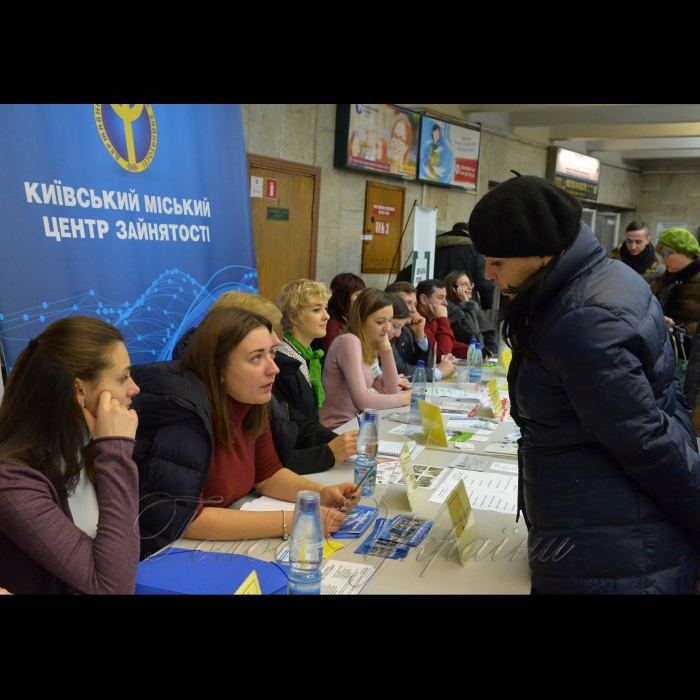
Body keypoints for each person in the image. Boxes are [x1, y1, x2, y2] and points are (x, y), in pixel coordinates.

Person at [468, 174, 700, 595]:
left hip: (613, 547)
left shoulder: (579, 321)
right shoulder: (606, 275)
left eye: (497, 262)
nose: (488, 274)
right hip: (607, 519)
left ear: (541, 254)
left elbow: (648, 444)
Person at [131, 307, 359, 560]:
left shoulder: (250, 402)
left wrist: (317, 495)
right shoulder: (184, 417)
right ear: (218, 367)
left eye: (271, 354)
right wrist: (294, 519)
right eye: (256, 358)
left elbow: (267, 474)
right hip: (174, 554)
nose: (274, 368)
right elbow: (187, 519)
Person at [0, 317, 141, 595]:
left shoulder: (87, 446)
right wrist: (116, 450)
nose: (134, 388)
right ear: (79, 390)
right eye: (123, 377)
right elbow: (114, 587)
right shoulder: (12, 481)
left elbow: (126, 553)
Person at [172, 293, 357, 476]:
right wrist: (329, 453)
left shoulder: (257, 393)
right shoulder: (190, 416)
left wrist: (340, 444)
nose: (276, 340)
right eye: (267, 330)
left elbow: (270, 464)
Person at [319, 288, 412, 430]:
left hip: (354, 425)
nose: (387, 328)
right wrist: (404, 399)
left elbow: (390, 390)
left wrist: (386, 348)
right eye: (380, 322)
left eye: (390, 321)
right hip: (336, 429)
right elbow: (362, 400)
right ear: (361, 319)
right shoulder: (349, 341)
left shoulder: (367, 345)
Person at [275, 279, 331, 419]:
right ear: (293, 317)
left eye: (326, 308)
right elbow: (295, 422)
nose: (327, 316)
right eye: (317, 310)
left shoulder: (306, 354)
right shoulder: (284, 363)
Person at [385, 281, 455, 380]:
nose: (414, 309)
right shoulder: (384, 332)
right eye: (408, 303)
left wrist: (420, 335)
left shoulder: (406, 331)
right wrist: (438, 372)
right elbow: (399, 369)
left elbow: (423, 366)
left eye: (415, 304)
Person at [650, 227, 700, 347]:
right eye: (661, 255)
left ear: (683, 252)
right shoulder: (660, 279)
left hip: (689, 356)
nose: (662, 261)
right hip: (659, 350)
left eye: (666, 254)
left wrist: (681, 331)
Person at [443, 270, 498, 357]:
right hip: (461, 357)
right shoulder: (450, 309)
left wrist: (492, 353)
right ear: (453, 288)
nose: (470, 287)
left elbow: (489, 331)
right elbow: (472, 330)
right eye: (464, 284)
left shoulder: (472, 305)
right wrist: (466, 303)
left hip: (479, 356)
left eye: (470, 284)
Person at [312, 272, 365, 357]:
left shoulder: (347, 317)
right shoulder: (332, 323)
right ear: (344, 296)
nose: (361, 300)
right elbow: (334, 356)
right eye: (357, 295)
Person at [416, 279, 470, 360]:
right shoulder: (417, 321)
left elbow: (450, 344)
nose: (445, 303)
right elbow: (441, 354)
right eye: (440, 297)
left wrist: (472, 351)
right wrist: (443, 319)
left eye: (445, 298)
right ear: (424, 299)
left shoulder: (433, 318)